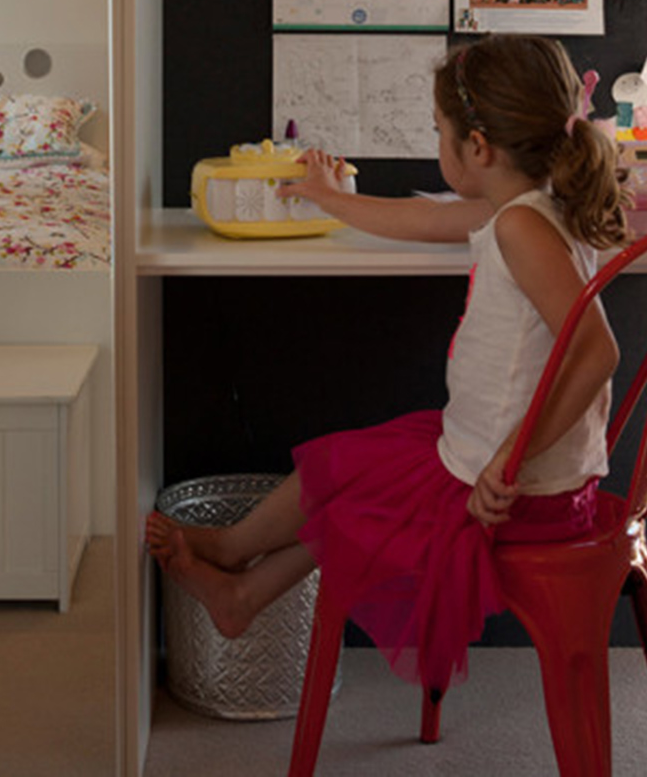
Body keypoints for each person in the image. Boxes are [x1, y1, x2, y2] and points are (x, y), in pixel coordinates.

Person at [147, 35, 628, 695]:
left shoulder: (522, 227)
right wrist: (325, 195)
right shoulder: (529, 205)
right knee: (358, 467)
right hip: (502, 461)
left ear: (479, 148)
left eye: (438, 131)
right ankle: (240, 577)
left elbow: (599, 352)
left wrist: (506, 459)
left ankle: (237, 565)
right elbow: (414, 219)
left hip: (514, 488)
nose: (437, 144)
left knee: (350, 476)